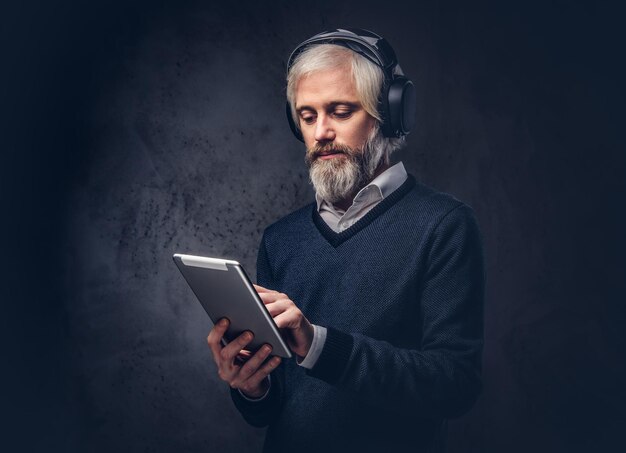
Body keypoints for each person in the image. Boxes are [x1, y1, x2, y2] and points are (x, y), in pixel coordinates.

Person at [206, 28, 485, 452]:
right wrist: (253, 387)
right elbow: (274, 408)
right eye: (307, 115)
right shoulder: (281, 239)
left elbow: (455, 384)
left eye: (340, 111)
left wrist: (319, 344)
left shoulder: (444, 225)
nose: (320, 133)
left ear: (388, 115)